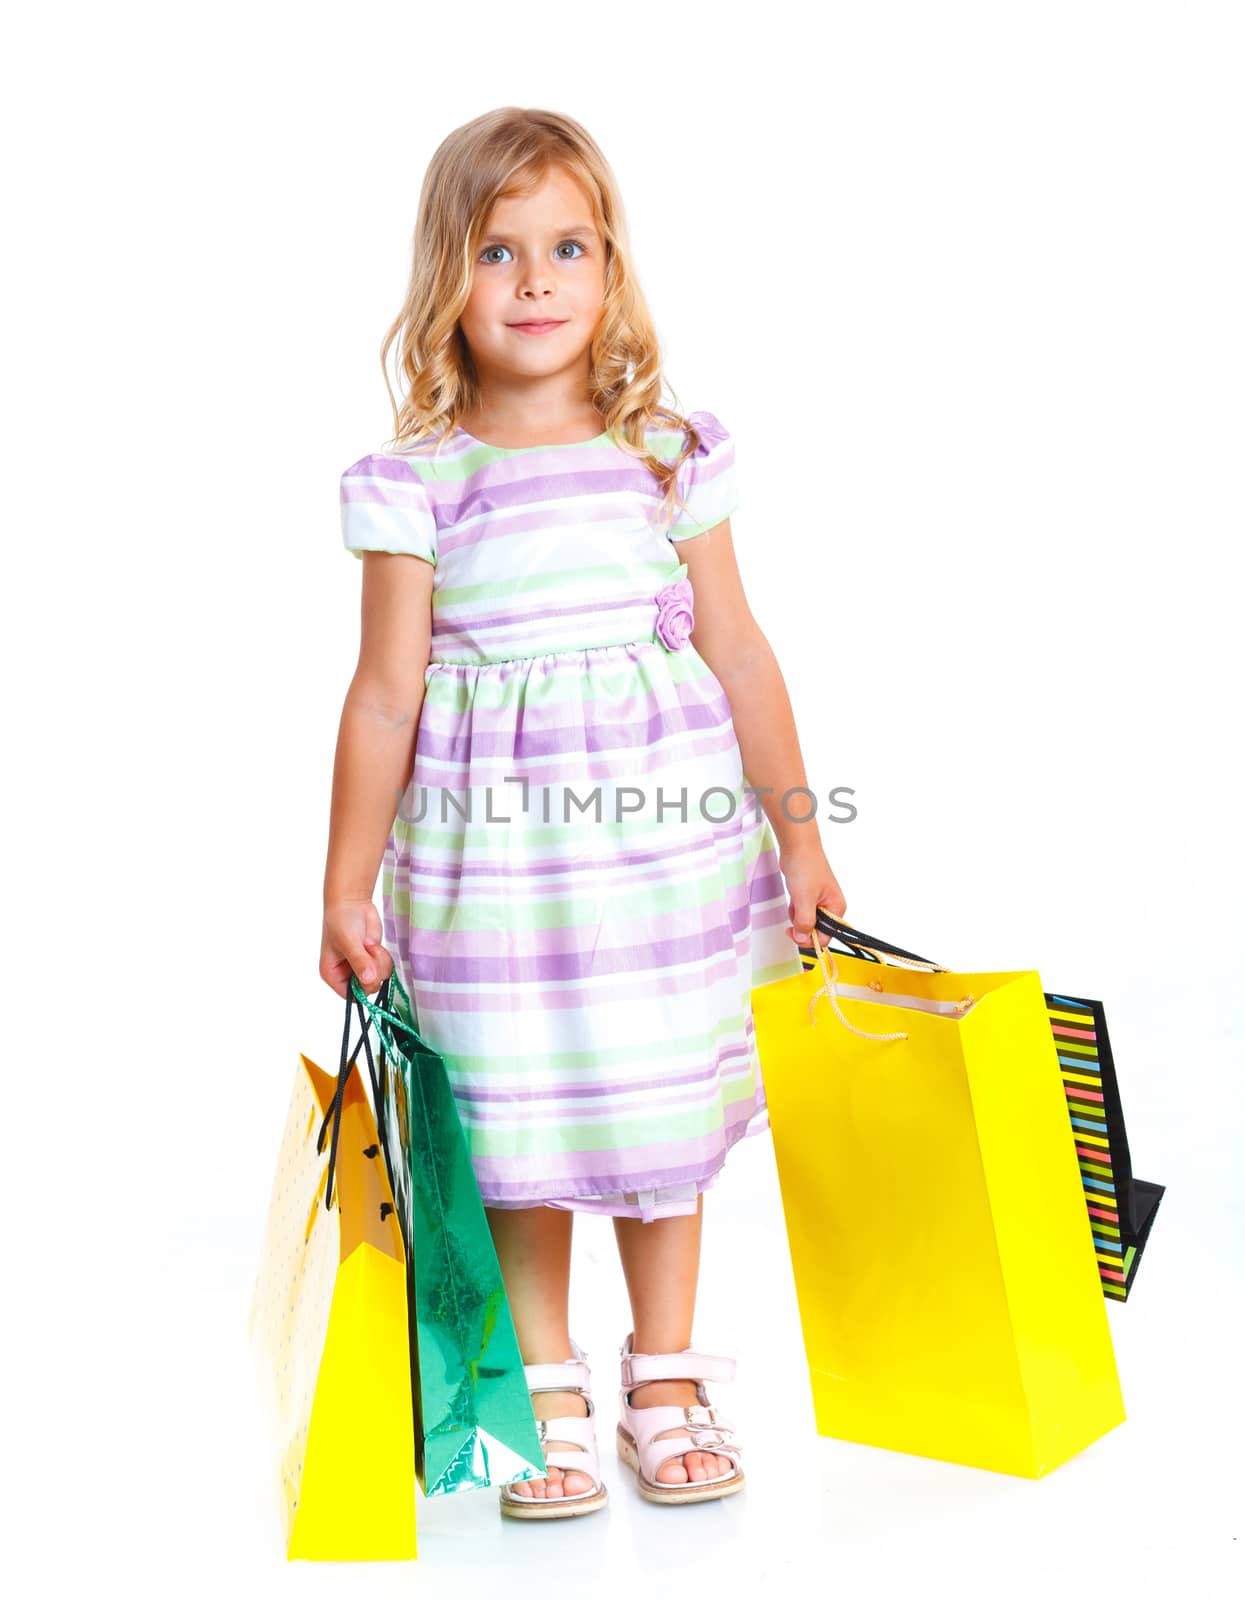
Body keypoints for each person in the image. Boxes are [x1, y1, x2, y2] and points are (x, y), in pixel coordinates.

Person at [320, 106, 847, 1519]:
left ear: (610, 271)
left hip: (665, 861)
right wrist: (342, 886)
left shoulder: (665, 451)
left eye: (568, 247)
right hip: (490, 883)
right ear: (448, 279)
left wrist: (799, 832)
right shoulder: (419, 480)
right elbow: (381, 695)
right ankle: (544, 1389)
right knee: (516, 1123)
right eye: (499, 251)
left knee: (661, 1109)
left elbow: (737, 648)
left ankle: (665, 1376)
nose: (537, 280)